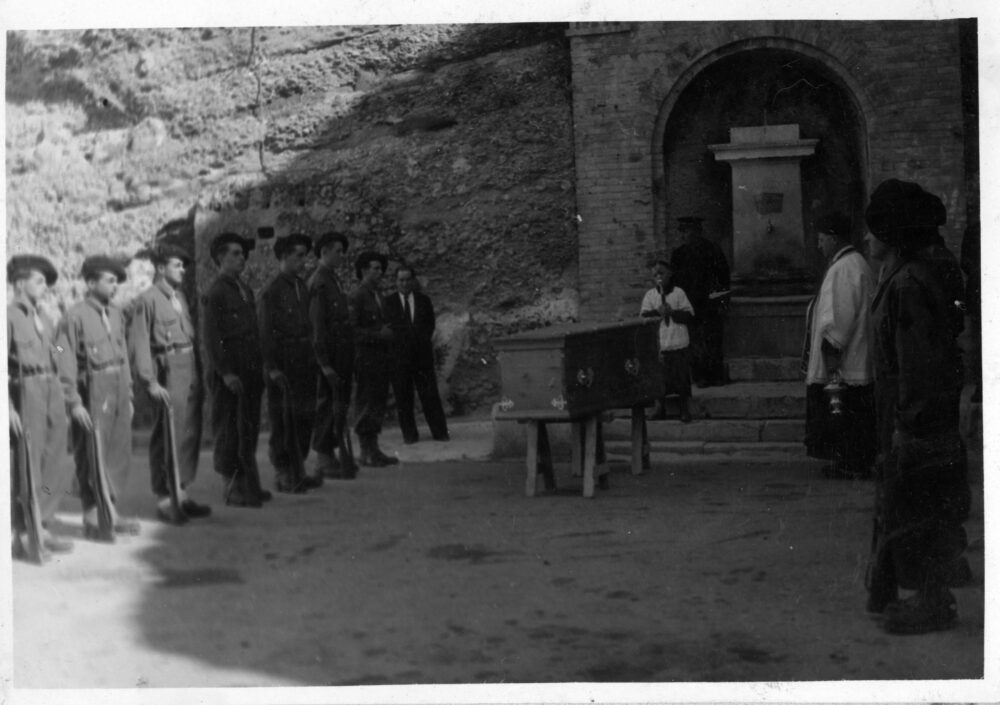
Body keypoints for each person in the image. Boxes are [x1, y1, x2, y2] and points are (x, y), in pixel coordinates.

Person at [863, 178, 970, 635]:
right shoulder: (905, 275)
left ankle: (932, 602)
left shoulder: (909, 285)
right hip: (910, 419)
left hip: (917, 424)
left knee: (918, 513)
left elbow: (919, 368)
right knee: (909, 509)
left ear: (891, 235)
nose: (867, 239)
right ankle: (909, 590)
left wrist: (907, 428)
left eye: (874, 231)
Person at [56, 255, 140, 539]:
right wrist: (73, 401)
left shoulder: (117, 314)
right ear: (91, 283)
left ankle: (110, 511)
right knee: (91, 452)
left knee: (117, 450)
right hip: (91, 387)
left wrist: (128, 394)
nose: (115, 286)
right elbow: (61, 355)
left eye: (117, 281)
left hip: (116, 383)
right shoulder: (74, 316)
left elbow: (125, 356)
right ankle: (92, 515)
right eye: (110, 280)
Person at [128, 243, 211, 524]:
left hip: (188, 366)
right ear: (161, 268)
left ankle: (181, 492)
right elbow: (140, 343)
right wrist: (149, 381)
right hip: (168, 370)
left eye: (184, 265)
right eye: (178, 265)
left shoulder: (180, 298)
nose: (183, 270)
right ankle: (165, 498)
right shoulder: (148, 300)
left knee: (188, 431)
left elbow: (190, 337)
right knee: (167, 433)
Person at [802, 213, 877, 480]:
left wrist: (832, 366)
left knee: (846, 414)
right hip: (856, 359)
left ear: (833, 239)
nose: (819, 245)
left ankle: (851, 463)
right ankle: (852, 461)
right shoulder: (854, 264)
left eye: (821, 239)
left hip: (846, 364)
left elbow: (838, 321)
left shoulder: (843, 269)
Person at [8, 255, 73, 556]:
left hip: (51, 387)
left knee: (54, 455)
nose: (44, 286)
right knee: (29, 461)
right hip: (28, 388)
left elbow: (57, 348)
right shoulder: (8, 317)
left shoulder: (44, 319)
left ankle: (43, 524)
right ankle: (24, 532)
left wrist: (63, 348)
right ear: (20, 283)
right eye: (38, 280)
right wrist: (7, 407)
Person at [202, 232, 270, 508]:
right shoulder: (215, 292)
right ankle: (231, 488)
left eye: (243, 254)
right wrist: (226, 372)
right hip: (229, 373)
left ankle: (249, 483)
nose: (242, 259)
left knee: (248, 429)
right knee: (229, 430)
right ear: (221, 258)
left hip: (250, 370)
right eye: (235, 254)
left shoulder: (244, 289)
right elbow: (212, 337)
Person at [259, 233, 322, 493]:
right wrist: (271, 367)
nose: (304, 261)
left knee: (305, 417)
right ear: (283, 257)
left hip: (304, 361)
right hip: (283, 364)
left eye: (305, 256)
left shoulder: (301, 287)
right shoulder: (271, 290)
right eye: (298, 256)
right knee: (283, 420)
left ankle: (299, 469)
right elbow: (264, 332)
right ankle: (284, 472)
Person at [308, 231, 357, 481]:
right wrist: (324, 363)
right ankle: (323, 458)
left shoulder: (332, 279)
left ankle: (331, 455)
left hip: (341, 353)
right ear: (324, 251)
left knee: (338, 405)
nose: (341, 255)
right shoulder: (319, 281)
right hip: (330, 355)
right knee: (328, 405)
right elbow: (317, 327)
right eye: (337, 251)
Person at [383, 265, 450, 444]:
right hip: (399, 358)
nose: (404, 283)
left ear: (413, 281)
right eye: (401, 280)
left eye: (407, 279)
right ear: (396, 282)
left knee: (429, 395)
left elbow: (430, 325)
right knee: (403, 398)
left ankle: (440, 432)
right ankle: (410, 435)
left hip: (421, 357)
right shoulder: (388, 303)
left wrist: (418, 342)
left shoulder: (423, 301)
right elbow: (388, 328)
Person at [350, 251, 399, 467]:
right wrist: (377, 335)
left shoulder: (378, 294)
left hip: (381, 357)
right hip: (366, 357)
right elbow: (352, 331)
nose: (380, 272)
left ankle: (374, 449)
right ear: (363, 271)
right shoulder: (357, 296)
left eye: (381, 269)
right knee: (366, 402)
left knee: (378, 402)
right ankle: (365, 451)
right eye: (375, 268)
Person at [669, 216, 730, 387]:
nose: (683, 236)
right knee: (694, 342)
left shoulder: (712, 250)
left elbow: (723, 278)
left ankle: (716, 376)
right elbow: (675, 283)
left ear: (697, 231)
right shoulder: (679, 255)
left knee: (712, 339)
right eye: (681, 232)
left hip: (710, 304)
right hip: (690, 305)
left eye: (686, 231)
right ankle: (700, 376)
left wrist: (723, 303)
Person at [639, 259, 694, 423]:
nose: (658, 277)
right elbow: (643, 318)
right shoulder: (650, 295)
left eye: (662, 273)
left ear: (670, 274)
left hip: (678, 343)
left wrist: (673, 312)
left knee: (681, 377)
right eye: (655, 274)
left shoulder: (679, 293)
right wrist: (657, 312)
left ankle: (684, 409)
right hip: (661, 344)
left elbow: (689, 315)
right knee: (660, 377)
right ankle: (659, 408)